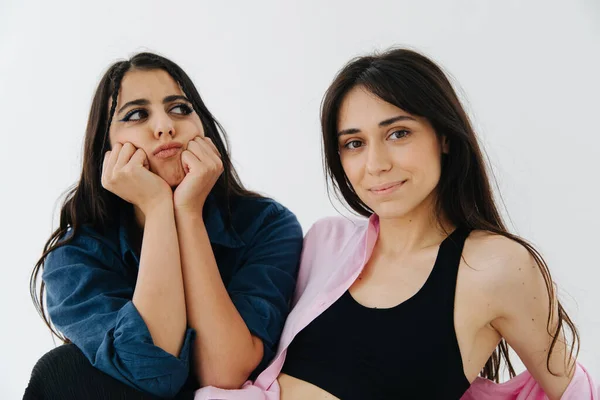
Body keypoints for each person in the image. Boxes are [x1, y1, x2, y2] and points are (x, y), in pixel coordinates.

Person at [192, 49, 598, 399]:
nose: (376, 164)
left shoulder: (495, 267)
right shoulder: (326, 242)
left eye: (398, 133)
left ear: (444, 136)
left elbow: (573, 391)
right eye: (354, 143)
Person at [24, 52, 303, 399]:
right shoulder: (76, 255)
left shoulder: (267, 224)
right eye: (137, 114)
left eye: (180, 109)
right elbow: (153, 372)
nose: (165, 126)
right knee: (63, 369)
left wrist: (187, 213)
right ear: (106, 149)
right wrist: (157, 209)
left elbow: (224, 372)